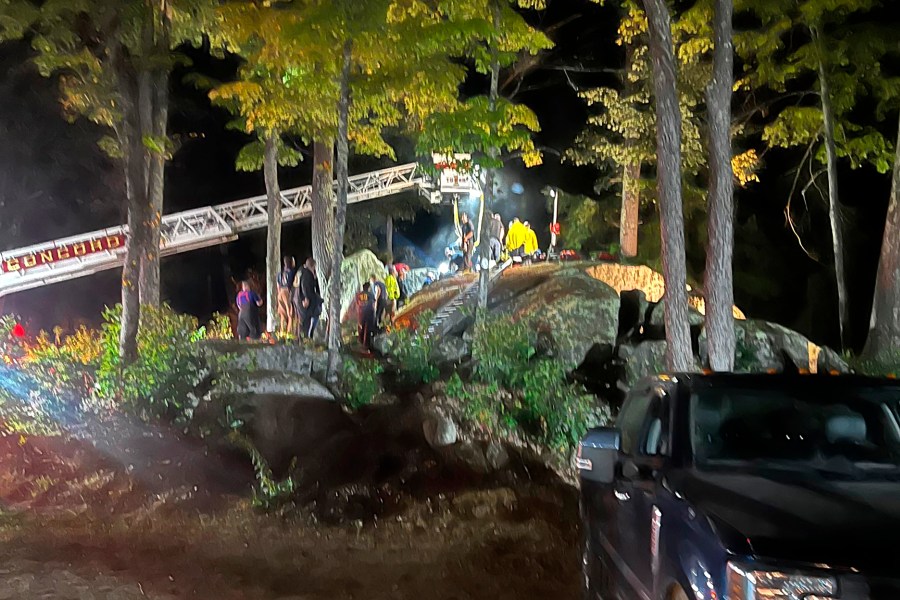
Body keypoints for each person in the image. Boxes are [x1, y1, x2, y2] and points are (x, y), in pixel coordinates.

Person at [296, 258, 323, 338]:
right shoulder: (307, 274)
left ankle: (306, 336)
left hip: (299, 300)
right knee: (308, 319)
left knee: (308, 318)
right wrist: (306, 298)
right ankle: (307, 337)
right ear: (313, 266)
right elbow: (305, 286)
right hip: (307, 301)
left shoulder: (301, 272)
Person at [276, 256, 296, 335]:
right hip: (287, 292)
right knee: (290, 313)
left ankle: (282, 333)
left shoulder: (280, 273)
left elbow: (278, 285)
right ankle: (289, 333)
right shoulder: (292, 272)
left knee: (282, 314)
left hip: (280, 292)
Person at [357, 281, 376, 350]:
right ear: (368, 288)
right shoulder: (370, 294)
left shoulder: (359, 294)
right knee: (368, 329)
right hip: (369, 312)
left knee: (362, 327)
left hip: (362, 312)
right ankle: (367, 344)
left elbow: (358, 303)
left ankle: (361, 341)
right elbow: (373, 303)